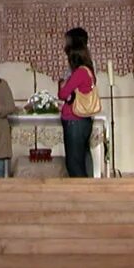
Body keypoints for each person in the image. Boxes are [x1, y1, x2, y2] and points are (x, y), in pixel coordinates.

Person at [58, 30, 96, 178]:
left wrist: (63, 85)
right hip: (83, 119)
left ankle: (82, 195)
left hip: (74, 120)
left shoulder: (79, 72)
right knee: (81, 157)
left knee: (74, 163)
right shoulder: (88, 70)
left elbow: (63, 94)